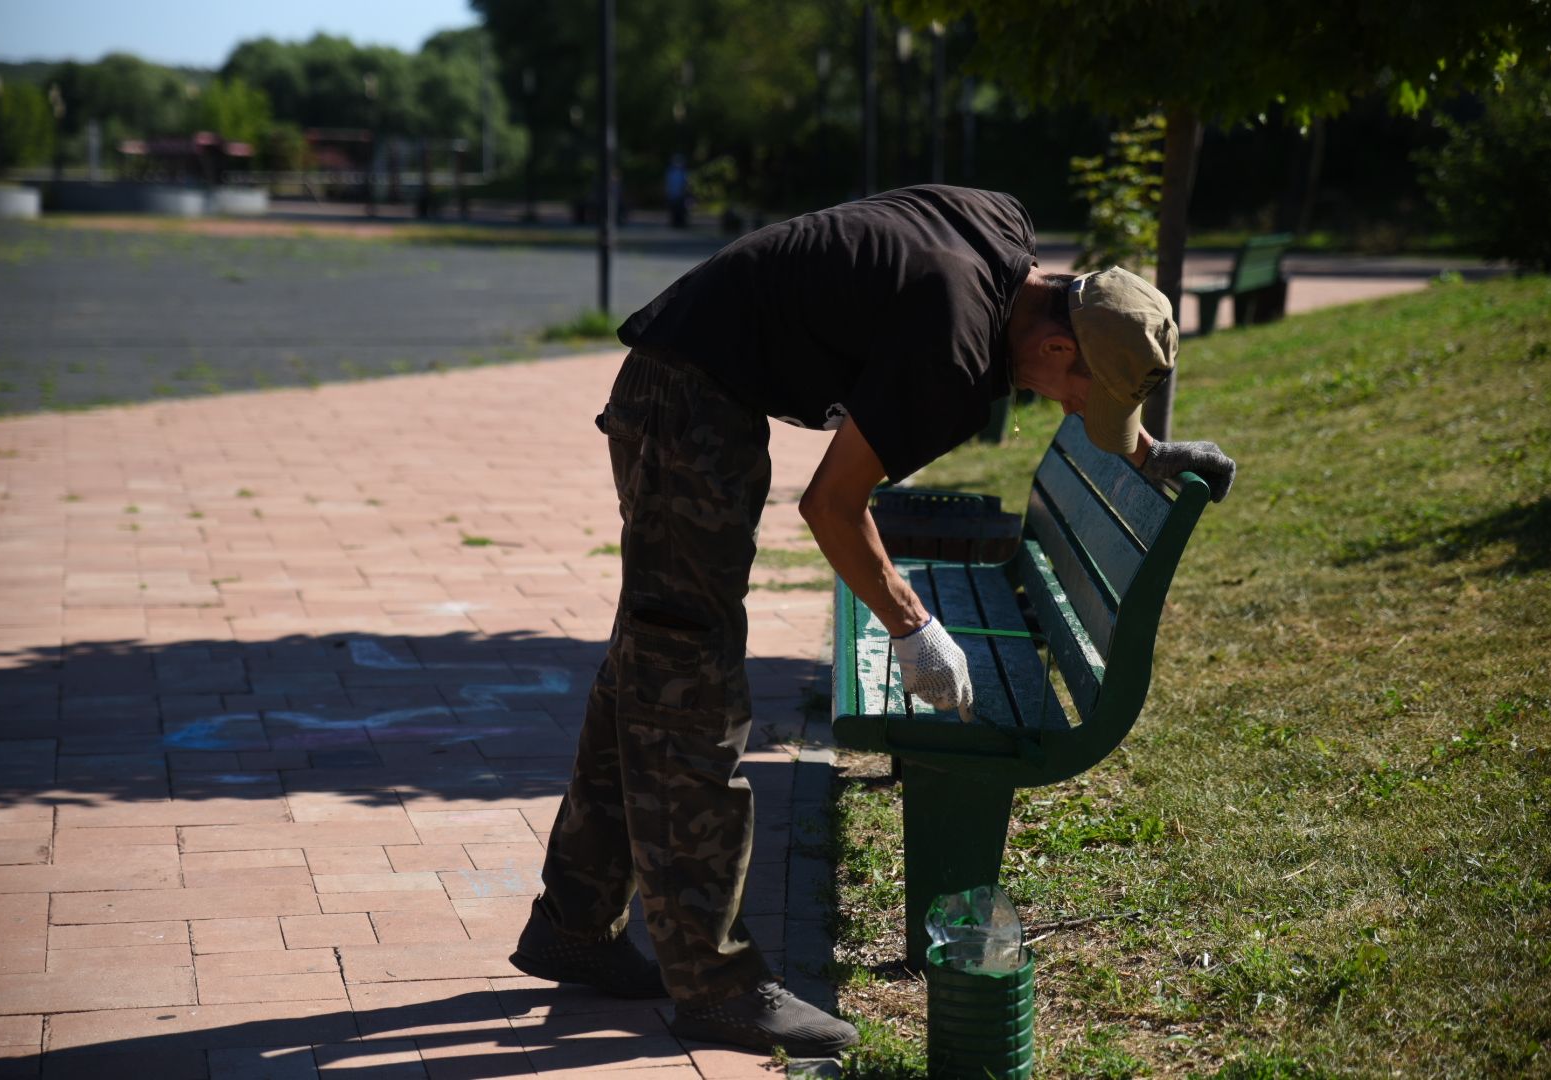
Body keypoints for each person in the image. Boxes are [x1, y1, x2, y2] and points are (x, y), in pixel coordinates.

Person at [508, 185, 1236, 1056]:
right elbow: (832, 504)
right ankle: (714, 985)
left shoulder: (1003, 234)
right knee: (689, 690)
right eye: (1079, 398)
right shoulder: (953, 354)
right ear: (1051, 344)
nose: (1073, 414)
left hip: (693, 386)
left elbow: (997, 340)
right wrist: (913, 627)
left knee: (652, 661)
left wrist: (1149, 452)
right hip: (687, 408)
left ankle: (575, 922)